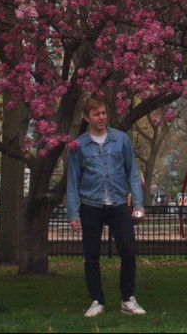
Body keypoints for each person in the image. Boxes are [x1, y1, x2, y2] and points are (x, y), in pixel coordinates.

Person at [65, 97, 146, 318]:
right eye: (96, 114)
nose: (101, 118)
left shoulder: (121, 140)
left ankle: (128, 299)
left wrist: (138, 203)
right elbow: (73, 181)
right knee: (91, 256)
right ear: (86, 118)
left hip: (119, 204)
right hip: (91, 205)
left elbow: (132, 172)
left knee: (128, 252)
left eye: (103, 113)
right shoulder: (79, 146)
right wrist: (73, 213)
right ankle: (97, 300)